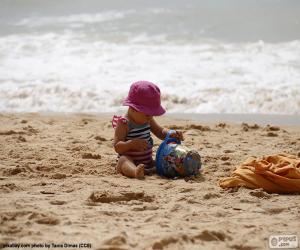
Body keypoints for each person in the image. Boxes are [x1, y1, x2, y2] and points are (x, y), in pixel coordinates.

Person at [112, 81, 184, 179]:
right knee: (124, 160)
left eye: (152, 113)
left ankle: (148, 169)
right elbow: (117, 147)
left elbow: (159, 132)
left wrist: (170, 133)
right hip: (129, 161)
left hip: (147, 161)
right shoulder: (124, 123)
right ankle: (134, 172)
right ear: (133, 108)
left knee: (164, 161)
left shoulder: (148, 120)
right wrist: (131, 144)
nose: (150, 117)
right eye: (147, 114)